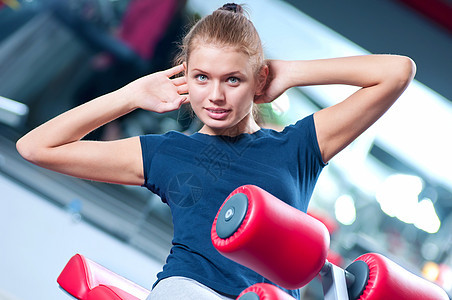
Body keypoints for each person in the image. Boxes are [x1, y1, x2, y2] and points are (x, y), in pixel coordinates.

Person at [16, 3, 416, 299]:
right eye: (202, 77)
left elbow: (397, 72)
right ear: (185, 76)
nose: (216, 96)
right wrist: (128, 95)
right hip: (187, 291)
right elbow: (35, 147)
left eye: (234, 79)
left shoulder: (299, 147)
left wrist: (292, 72)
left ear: (259, 81)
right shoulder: (165, 152)